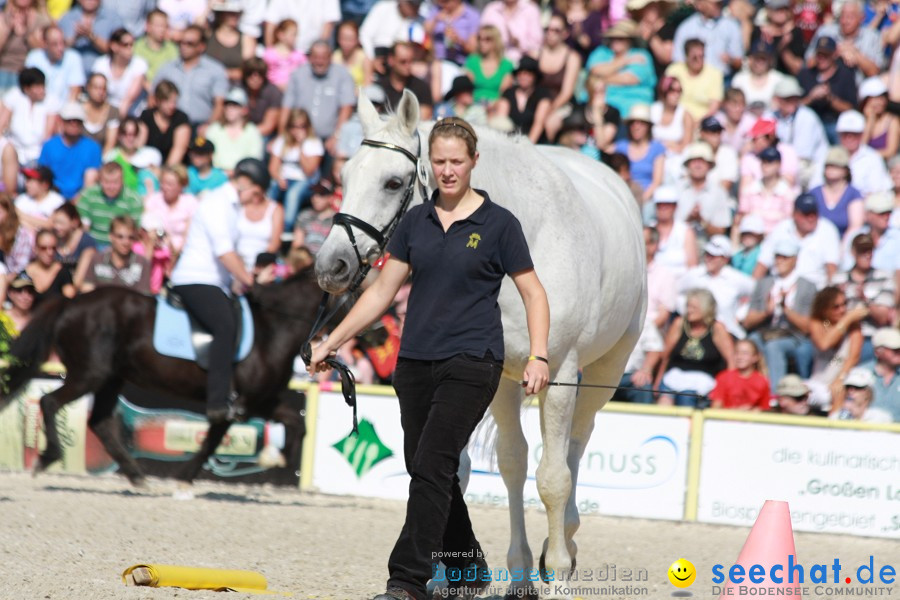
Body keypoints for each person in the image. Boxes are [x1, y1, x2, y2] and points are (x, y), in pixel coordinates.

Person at [308, 116, 550, 600]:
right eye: (438, 161)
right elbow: (379, 294)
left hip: (473, 360)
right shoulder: (415, 222)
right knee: (424, 464)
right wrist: (332, 339)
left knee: (434, 463)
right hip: (416, 361)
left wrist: (540, 355)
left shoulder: (500, 224)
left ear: (474, 162)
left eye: (456, 161)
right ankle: (468, 568)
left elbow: (534, 293)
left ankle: (407, 581)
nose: (447, 170)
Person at [169, 158, 263, 421]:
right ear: (246, 184)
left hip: (215, 282)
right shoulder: (216, 203)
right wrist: (249, 280)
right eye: (256, 193)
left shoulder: (231, 209)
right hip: (195, 279)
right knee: (225, 325)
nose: (256, 200)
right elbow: (224, 253)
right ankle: (217, 402)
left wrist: (246, 278)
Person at [744, 238, 817, 394]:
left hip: (794, 336)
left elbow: (807, 327)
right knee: (749, 344)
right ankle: (748, 391)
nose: (780, 261)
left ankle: (775, 394)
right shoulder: (764, 283)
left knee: (774, 347)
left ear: (795, 260)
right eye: (778, 256)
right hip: (766, 332)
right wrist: (766, 312)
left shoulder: (807, 286)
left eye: (785, 257)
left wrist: (786, 310)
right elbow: (748, 322)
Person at [655, 288, 734, 407]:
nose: (689, 311)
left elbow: (731, 361)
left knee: (686, 399)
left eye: (694, 308)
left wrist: (726, 389)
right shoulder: (680, 323)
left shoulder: (717, 328)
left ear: (706, 309)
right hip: (674, 376)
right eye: (688, 306)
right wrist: (658, 380)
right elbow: (665, 356)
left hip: (702, 381)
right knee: (664, 403)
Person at [281, 40, 356, 155]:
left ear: (330, 57)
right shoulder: (298, 75)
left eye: (323, 57)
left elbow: (346, 107)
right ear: (310, 57)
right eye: (316, 57)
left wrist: (337, 136)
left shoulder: (342, 75)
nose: (319, 61)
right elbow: (287, 107)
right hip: (300, 138)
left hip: (329, 140)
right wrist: (282, 135)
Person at [753, 193, 841, 289]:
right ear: (795, 214)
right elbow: (762, 264)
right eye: (806, 214)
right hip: (780, 287)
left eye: (814, 213)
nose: (811, 218)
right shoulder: (782, 228)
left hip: (814, 290)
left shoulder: (827, 230)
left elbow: (832, 269)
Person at [678, 235, 755, 339]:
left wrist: (741, 314)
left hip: (728, 332)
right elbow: (677, 293)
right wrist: (686, 310)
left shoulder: (736, 278)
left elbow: (757, 293)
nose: (709, 259)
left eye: (714, 256)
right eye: (707, 254)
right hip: (697, 332)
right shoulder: (694, 274)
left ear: (725, 259)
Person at [153, 25, 229, 130]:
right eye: (181, 42)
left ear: (201, 46)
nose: (184, 47)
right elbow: (153, 98)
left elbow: (219, 104)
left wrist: (208, 127)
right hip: (170, 126)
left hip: (201, 127)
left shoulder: (215, 70)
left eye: (190, 44)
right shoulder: (167, 68)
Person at [806, 285, 867, 412]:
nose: (842, 310)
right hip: (818, 383)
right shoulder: (818, 323)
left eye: (844, 304)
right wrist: (847, 319)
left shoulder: (854, 327)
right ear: (824, 310)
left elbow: (853, 358)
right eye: (836, 307)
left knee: (838, 393)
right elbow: (824, 344)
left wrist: (839, 380)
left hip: (841, 381)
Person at [585, 19, 656, 118]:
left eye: (621, 38)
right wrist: (625, 61)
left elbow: (629, 79)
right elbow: (595, 70)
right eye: (613, 38)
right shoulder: (602, 52)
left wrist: (599, 78)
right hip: (602, 105)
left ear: (630, 40)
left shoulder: (641, 55)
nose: (616, 41)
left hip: (631, 106)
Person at [269, 108, 325, 231]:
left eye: (302, 126)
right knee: (272, 187)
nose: (298, 130)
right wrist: (278, 178)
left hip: (306, 181)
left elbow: (309, 171)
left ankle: (286, 228)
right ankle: (267, 222)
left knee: (293, 194)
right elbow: (273, 167)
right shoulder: (282, 141)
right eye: (294, 126)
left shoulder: (314, 143)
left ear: (308, 126)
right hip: (284, 178)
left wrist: (300, 146)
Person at [797, 37, 857, 143]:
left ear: (834, 54)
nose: (822, 58)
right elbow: (794, 106)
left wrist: (830, 98)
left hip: (835, 122)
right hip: (809, 122)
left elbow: (851, 109)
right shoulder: (805, 74)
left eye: (826, 55)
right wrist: (811, 98)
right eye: (819, 55)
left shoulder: (845, 75)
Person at [37, 102, 102, 201]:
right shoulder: (49, 146)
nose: (74, 124)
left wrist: (77, 200)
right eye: (69, 120)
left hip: (82, 198)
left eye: (78, 121)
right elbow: (43, 175)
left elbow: (91, 180)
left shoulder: (93, 148)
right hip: (52, 196)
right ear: (62, 121)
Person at [76, 161, 144, 246]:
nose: (111, 187)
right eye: (106, 182)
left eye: (115, 182)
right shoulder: (88, 195)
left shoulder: (133, 200)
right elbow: (82, 227)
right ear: (100, 180)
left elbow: (134, 231)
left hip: (122, 246)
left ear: (122, 180)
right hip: (92, 245)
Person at [0, 67, 56, 167]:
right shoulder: (14, 96)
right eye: (37, 86)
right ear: (26, 89)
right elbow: (1, 124)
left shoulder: (51, 101)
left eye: (43, 85)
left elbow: (48, 135)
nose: (42, 90)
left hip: (38, 155)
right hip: (14, 152)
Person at [671, 0, 743, 78]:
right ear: (700, 4)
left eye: (719, 3)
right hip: (694, 80)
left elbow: (739, 61)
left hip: (724, 80)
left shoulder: (731, 25)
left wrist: (730, 60)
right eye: (714, 4)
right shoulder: (686, 28)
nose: (718, 6)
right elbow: (678, 60)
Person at [81, 214, 151, 293]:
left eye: (130, 237)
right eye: (120, 237)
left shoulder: (142, 263)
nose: (126, 242)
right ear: (111, 236)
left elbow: (144, 297)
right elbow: (86, 289)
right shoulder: (97, 259)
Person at [738, 146, 799, 235]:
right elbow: (741, 219)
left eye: (769, 162)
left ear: (779, 165)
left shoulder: (788, 194)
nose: (765, 166)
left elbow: (789, 224)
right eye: (763, 162)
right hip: (752, 240)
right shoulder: (749, 190)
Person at [807, 146, 863, 240]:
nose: (831, 169)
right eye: (829, 166)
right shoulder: (814, 193)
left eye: (836, 166)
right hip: (816, 243)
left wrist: (842, 248)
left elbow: (855, 226)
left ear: (845, 170)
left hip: (844, 244)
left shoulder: (853, 194)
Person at [142, 164, 198, 257]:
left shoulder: (190, 202)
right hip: (155, 251)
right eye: (162, 183)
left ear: (181, 186)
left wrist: (176, 253)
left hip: (183, 253)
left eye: (170, 184)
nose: (165, 187)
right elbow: (146, 231)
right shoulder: (153, 200)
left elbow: (189, 235)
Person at [57, 0, 124, 77]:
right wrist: (76, 38)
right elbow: (58, 48)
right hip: (72, 75)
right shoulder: (66, 18)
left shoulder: (113, 18)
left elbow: (118, 50)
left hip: (103, 76)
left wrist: (92, 36)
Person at [204, 87, 264, 172]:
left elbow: (254, 159)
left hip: (242, 175)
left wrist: (236, 173)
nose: (230, 109)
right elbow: (206, 155)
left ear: (244, 110)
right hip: (217, 174)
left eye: (235, 106)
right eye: (227, 105)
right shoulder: (214, 129)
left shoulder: (252, 131)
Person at [24, 24, 85, 107]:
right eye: (55, 44)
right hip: (39, 108)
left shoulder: (73, 58)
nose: (60, 48)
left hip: (64, 111)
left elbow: (75, 91)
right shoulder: (34, 58)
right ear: (45, 43)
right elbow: (29, 88)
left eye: (62, 43)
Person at [0, 0, 52, 96]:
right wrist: (8, 29)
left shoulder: (40, 20)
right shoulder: (2, 18)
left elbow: (44, 51)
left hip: (27, 71)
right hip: (3, 68)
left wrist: (26, 33)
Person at [495, 56, 551, 143]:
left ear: (535, 76)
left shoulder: (543, 95)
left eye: (528, 73)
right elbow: (501, 121)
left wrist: (527, 147)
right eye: (520, 73)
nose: (523, 76)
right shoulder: (508, 93)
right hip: (510, 142)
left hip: (536, 144)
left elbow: (538, 124)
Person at [615, 104, 665, 202]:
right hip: (624, 196)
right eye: (633, 123)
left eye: (641, 123)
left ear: (648, 126)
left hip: (648, 198)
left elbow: (657, 181)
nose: (636, 127)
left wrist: (642, 200)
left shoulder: (657, 148)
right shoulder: (620, 147)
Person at [235, 171, 283, 271]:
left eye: (243, 188)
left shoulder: (275, 209)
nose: (238, 190)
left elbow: (275, 243)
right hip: (236, 265)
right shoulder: (237, 207)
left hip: (261, 266)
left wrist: (257, 267)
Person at [709, 339, 771, 410]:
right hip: (726, 420)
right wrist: (738, 411)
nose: (740, 357)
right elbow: (716, 407)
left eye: (745, 353)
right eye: (737, 353)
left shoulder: (762, 381)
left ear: (755, 357)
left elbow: (764, 409)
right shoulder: (723, 377)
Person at [378, 42, 434, 120]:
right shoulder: (379, 87)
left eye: (411, 61)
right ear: (391, 60)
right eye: (403, 62)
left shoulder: (422, 87)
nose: (408, 66)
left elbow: (424, 120)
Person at [206, 2, 256, 84]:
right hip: (209, 83)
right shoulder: (209, 34)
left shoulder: (246, 39)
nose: (235, 17)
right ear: (221, 15)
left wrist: (223, 74)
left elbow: (248, 69)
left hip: (235, 86)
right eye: (230, 14)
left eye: (237, 14)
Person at [24, 227, 75, 305]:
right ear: (36, 248)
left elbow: (71, 302)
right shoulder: (25, 273)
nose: (49, 252)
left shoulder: (63, 272)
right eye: (44, 248)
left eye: (53, 248)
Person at [463, 25, 513, 104]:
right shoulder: (472, 61)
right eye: (479, 39)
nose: (482, 43)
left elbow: (504, 94)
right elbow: (467, 90)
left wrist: (492, 106)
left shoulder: (506, 65)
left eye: (487, 39)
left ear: (496, 41)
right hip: (473, 105)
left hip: (495, 106)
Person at [51, 202, 97, 283]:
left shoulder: (86, 241)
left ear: (74, 222)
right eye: (55, 222)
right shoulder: (52, 238)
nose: (56, 227)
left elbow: (80, 279)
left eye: (61, 223)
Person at [291, 176, 336, 254]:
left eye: (321, 194)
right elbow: (297, 245)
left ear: (331, 198)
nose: (315, 198)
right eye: (314, 193)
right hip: (305, 261)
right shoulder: (304, 215)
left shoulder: (336, 220)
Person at [133, 9, 178, 84]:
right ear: (147, 26)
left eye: (165, 26)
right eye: (159, 25)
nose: (162, 29)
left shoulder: (172, 48)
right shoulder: (136, 47)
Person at [864, 327, 900, 421]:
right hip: (867, 432)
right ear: (877, 352)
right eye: (895, 349)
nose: (899, 352)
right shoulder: (861, 374)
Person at [650, 76, 693, 154]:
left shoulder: (685, 115)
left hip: (675, 157)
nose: (676, 95)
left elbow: (686, 146)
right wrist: (667, 144)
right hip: (654, 155)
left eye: (679, 91)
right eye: (672, 90)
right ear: (664, 91)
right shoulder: (653, 110)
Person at [859, 77, 899, 160]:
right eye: (875, 98)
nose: (880, 102)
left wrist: (868, 156)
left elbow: (890, 152)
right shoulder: (860, 121)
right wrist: (870, 120)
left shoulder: (892, 121)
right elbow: (860, 147)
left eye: (882, 98)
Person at [15, 165, 64, 232]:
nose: (27, 184)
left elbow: (51, 225)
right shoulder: (22, 199)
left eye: (31, 180)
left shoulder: (57, 201)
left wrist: (20, 215)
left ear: (45, 184)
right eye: (27, 179)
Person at [241, 57, 282, 138]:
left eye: (260, 74)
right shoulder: (238, 89)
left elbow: (268, 127)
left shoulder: (273, 92)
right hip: (239, 130)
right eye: (250, 74)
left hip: (263, 135)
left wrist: (244, 135)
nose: (255, 78)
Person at [80, 73, 120, 155]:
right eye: (96, 88)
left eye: (103, 88)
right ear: (88, 88)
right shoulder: (78, 107)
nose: (100, 92)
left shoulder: (113, 111)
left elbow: (110, 143)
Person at [263, 19, 306, 91]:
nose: (295, 38)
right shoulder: (269, 54)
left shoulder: (299, 56)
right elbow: (266, 74)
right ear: (281, 35)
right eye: (293, 34)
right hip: (273, 91)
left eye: (296, 35)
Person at [0, 191, 33, 276]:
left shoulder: (20, 233)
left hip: (14, 278)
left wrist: (6, 280)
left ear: (8, 212)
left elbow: (21, 267)